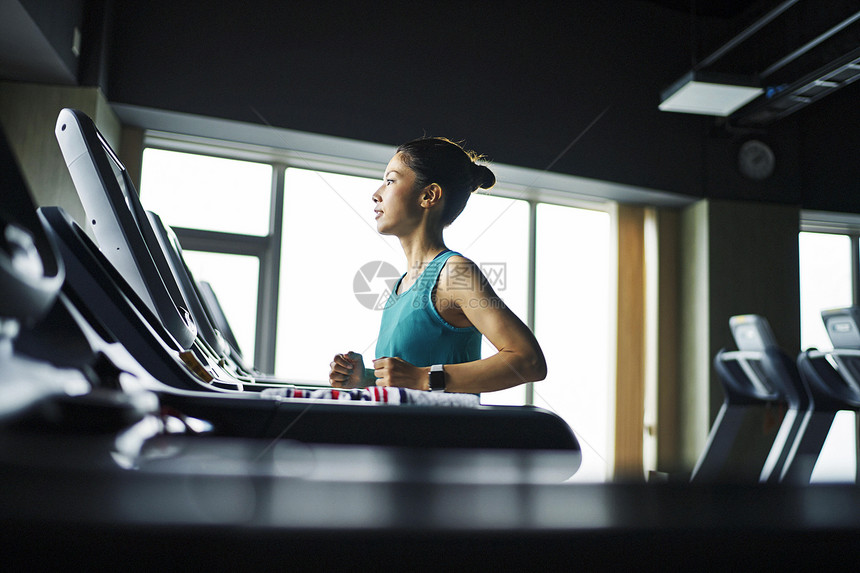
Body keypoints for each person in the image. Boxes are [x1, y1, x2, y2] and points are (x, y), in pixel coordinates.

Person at [328, 137, 546, 394]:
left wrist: (423, 377)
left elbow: (529, 361)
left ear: (429, 195)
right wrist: (364, 379)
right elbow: (410, 380)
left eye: (390, 181)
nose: (376, 195)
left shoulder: (454, 272)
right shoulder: (401, 286)